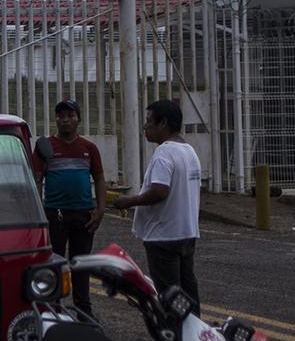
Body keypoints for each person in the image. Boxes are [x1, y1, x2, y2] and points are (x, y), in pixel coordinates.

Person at [109, 99, 204, 313]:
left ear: (163, 123)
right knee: (188, 290)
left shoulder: (164, 153)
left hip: (163, 235)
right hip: (187, 232)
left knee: (169, 295)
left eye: (149, 121)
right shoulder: (189, 151)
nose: (145, 126)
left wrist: (129, 200)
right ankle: (195, 333)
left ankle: (175, 337)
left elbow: (160, 191)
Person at [30, 100, 104, 313]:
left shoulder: (89, 148)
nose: (65, 120)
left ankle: (83, 310)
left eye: (70, 116)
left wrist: (100, 210)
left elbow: (99, 178)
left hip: (84, 215)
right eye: (61, 116)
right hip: (55, 214)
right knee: (54, 264)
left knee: (81, 264)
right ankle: (53, 309)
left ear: (78, 119)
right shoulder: (45, 147)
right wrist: (39, 211)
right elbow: (37, 180)